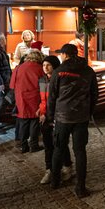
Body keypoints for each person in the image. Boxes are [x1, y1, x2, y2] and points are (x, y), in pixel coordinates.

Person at [47, 44, 98, 198]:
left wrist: (50, 116)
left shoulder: (59, 71)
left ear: (65, 55)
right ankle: (80, 188)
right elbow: (94, 94)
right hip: (81, 117)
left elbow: (52, 97)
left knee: (58, 149)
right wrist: (89, 112)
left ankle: (55, 181)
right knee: (80, 151)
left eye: (61, 54)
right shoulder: (88, 70)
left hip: (62, 117)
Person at [38, 55, 73, 184]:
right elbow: (43, 100)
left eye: (48, 65)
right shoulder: (42, 80)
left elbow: (59, 101)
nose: (45, 68)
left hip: (57, 116)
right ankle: (49, 170)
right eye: (43, 65)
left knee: (60, 144)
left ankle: (67, 166)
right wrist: (41, 110)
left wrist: (50, 114)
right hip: (45, 118)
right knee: (48, 145)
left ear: (55, 66)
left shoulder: (60, 79)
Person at [10, 49, 45, 153]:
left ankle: (23, 146)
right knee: (34, 121)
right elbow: (43, 85)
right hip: (35, 97)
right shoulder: (40, 68)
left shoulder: (18, 68)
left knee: (23, 122)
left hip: (21, 98)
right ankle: (33, 145)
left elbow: (12, 85)